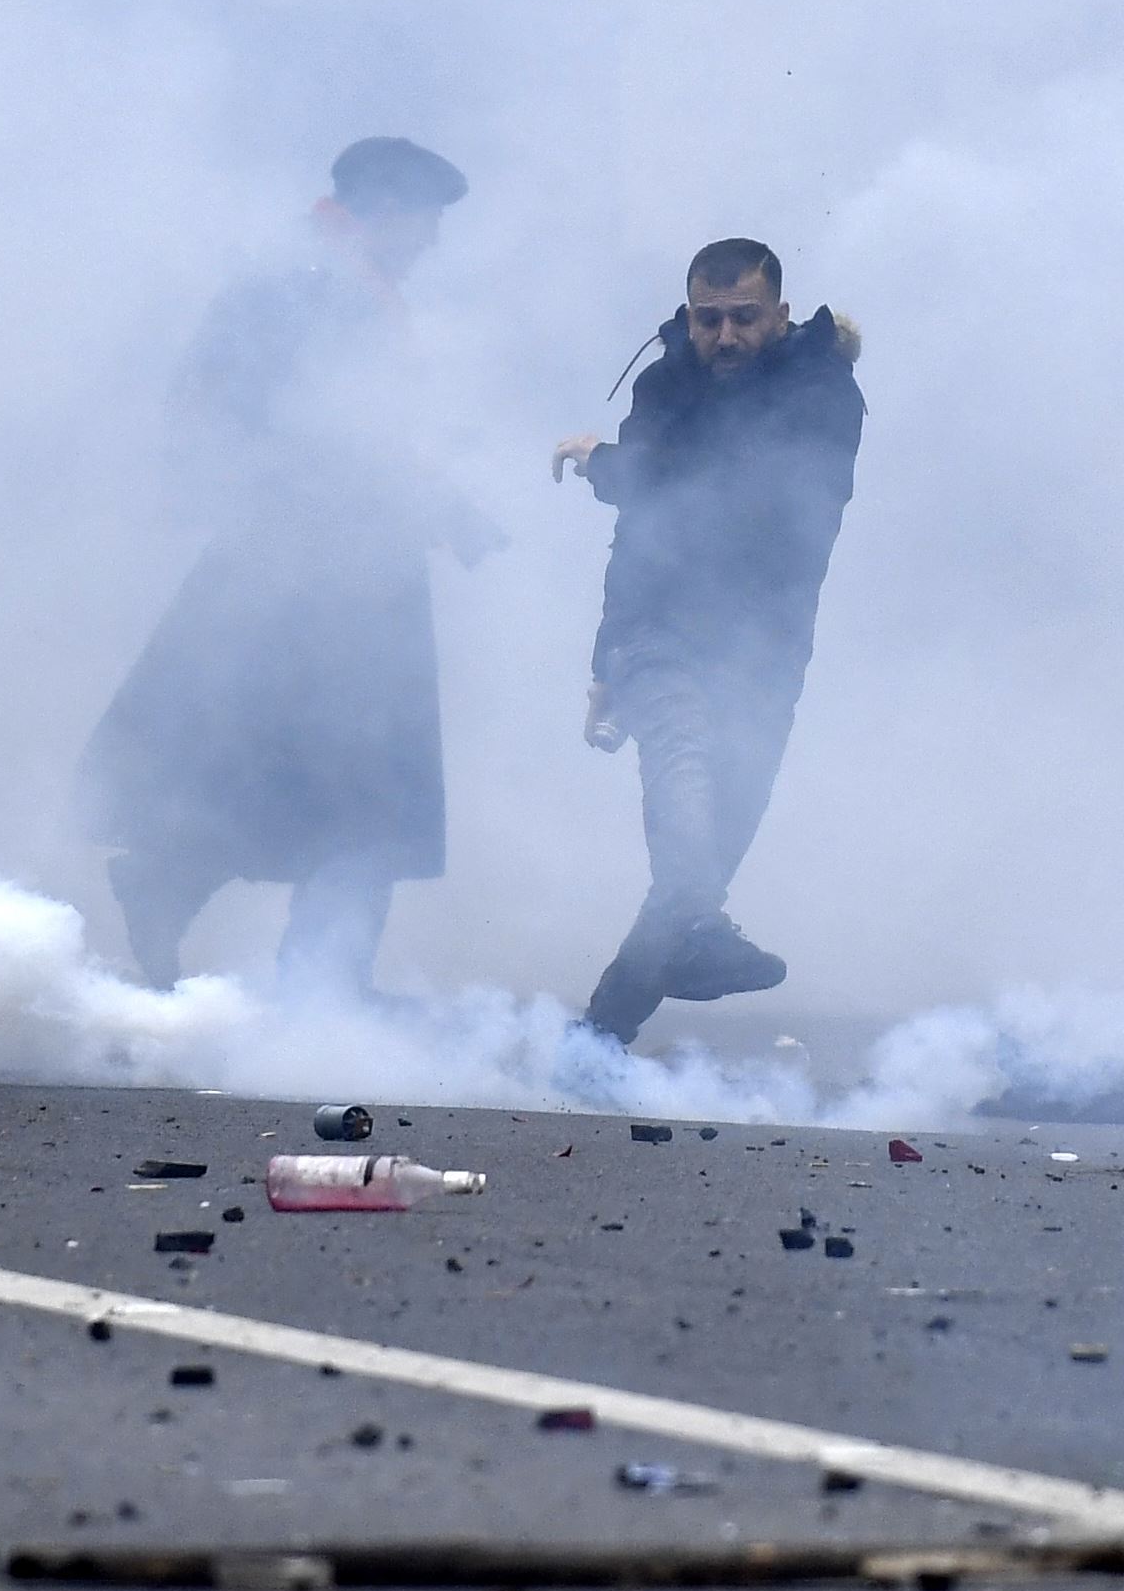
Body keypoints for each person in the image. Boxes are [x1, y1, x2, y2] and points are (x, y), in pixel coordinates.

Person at [77, 138, 493, 998]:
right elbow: (320, 433)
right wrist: (428, 501)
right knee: (359, 789)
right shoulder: (313, 284)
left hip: (323, 566)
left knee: (297, 777)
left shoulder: (311, 276)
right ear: (389, 210)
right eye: (426, 221)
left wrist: (438, 501)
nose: (432, 243)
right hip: (322, 574)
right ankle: (317, 979)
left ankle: (180, 888)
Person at [550, 237, 866, 1043]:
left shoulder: (824, 395)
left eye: (743, 318)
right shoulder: (664, 384)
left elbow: (734, 496)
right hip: (661, 629)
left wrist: (600, 460)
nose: (724, 337)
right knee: (682, 766)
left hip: (765, 651)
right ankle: (684, 946)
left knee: (702, 866)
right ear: (688, 315)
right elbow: (644, 532)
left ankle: (593, 1043)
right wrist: (603, 665)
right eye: (707, 319)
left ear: (781, 316)